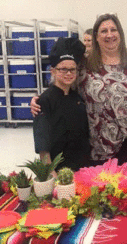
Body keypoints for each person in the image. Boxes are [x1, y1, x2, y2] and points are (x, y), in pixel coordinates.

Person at [31, 14, 127, 166]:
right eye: (104, 31)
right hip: (94, 147)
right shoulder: (84, 64)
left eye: (113, 30)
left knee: (125, 187)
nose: (109, 35)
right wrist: (39, 100)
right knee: (98, 189)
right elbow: (62, 81)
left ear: (120, 33)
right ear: (96, 37)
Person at [33, 37, 90, 174]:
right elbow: (43, 146)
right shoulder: (44, 101)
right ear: (53, 71)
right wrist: (52, 175)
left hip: (81, 168)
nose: (69, 73)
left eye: (72, 69)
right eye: (63, 69)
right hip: (59, 172)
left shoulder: (77, 98)